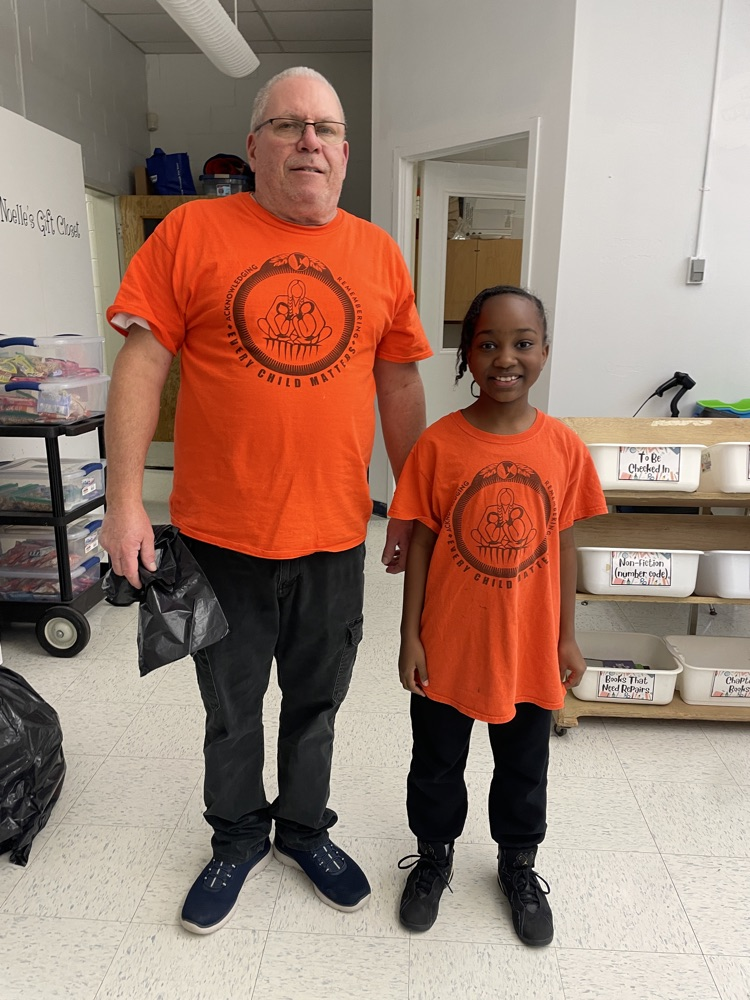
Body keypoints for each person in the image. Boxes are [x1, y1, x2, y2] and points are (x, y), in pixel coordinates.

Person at [101, 66, 432, 935]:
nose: (308, 141)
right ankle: (238, 835)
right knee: (231, 703)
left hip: (332, 535)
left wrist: (412, 500)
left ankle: (303, 829)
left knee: (318, 700)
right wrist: (124, 501)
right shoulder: (190, 231)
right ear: (254, 148)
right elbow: (142, 363)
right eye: (287, 126)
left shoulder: (377, 253)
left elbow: (398, 384)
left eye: (324, 127)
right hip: (220, 536)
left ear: (346, 154)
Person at [388, 286, 607, 945]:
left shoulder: (564, 447)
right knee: (435, 761)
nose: (505, 358)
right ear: (467, 356)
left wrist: (567, 636)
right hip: (449, 642)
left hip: (530, 644)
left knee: (524, 765)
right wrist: (409, 636)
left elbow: (567, 542)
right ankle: (433, 858)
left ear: (544, 351)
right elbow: (421, 540)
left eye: (522, 343)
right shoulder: (439, 445)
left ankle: (518, 864)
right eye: (487, 344)